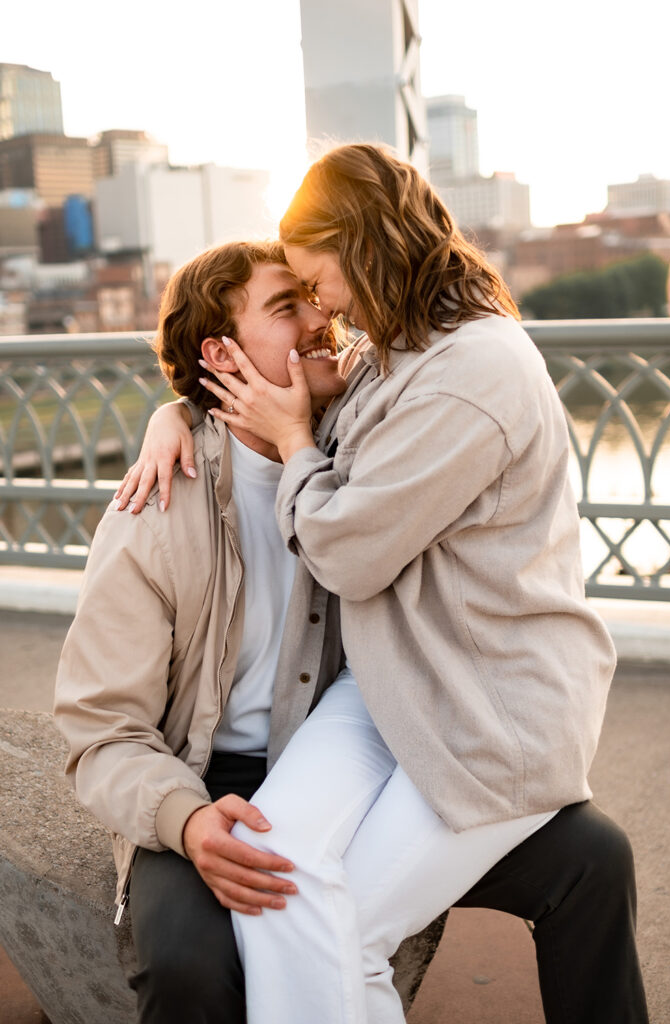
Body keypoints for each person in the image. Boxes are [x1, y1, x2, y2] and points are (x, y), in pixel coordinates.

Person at [121, 144, 649, 1023]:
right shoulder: (396, 351)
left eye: (316, 280)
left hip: (486, 711)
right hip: (387, 686)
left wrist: (293, 446)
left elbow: (350, 553)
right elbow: (280, 387)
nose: (322, 306)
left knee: (333, 930)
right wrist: (174, 411)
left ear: (362, 243)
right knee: (279, 889)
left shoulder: (471, 373)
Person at [54, 239, 352, 1023]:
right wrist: (184, 821)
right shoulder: (151, 511)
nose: (324, 318)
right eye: (288, 307)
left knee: (589, 859)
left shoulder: (364, 459)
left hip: (349, 769)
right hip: (197, 776)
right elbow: (100, 725)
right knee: (187, 964)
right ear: (219, 351)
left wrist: (177, 409)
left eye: (315, 297)